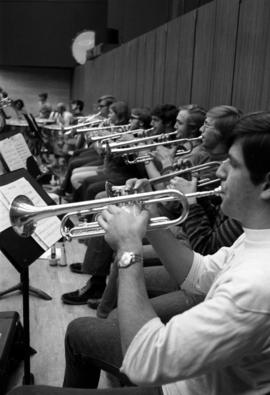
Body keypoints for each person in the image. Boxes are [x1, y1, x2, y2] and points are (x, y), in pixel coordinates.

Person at [9, 111, 270, 394]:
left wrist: (128, 251)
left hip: (179, 388)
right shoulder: (256, 237)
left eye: (232, 164)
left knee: (22, 393)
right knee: (78, 332)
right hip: (186, 376)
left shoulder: (256, 285)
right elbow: (200, 274)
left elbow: (143, 363)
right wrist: (146, 211)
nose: (220, 171)